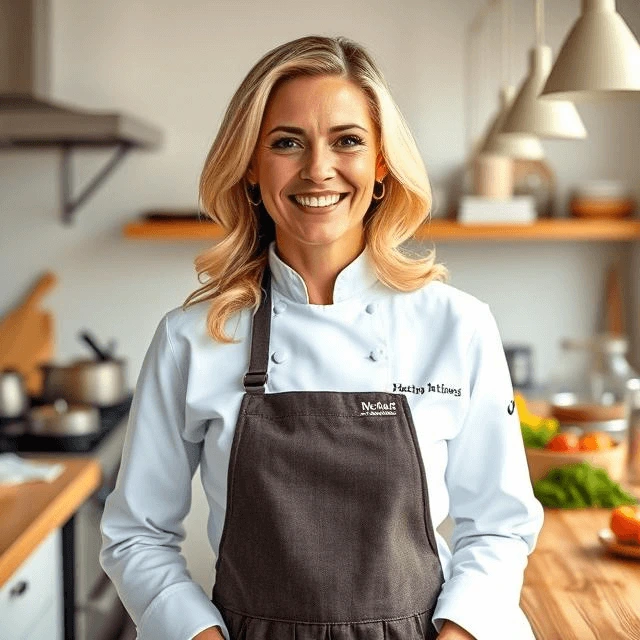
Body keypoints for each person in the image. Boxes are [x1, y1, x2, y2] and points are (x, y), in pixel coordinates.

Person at [100, 35, 544, 640]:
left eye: (348, 141)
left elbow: (499, 524)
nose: (318, 169)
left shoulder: (457, 326)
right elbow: (136, 534)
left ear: (381, 164)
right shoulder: (193, 339)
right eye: (287, 143)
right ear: (251, 169)